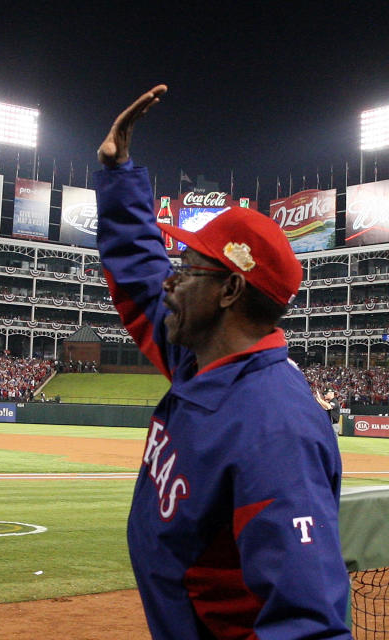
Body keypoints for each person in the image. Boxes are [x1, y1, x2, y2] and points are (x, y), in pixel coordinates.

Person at [95, 85, 349, 639]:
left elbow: (307, 620)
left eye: (187, 268)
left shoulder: (275, 428)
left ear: (230, 290)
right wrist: (119, 176)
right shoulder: (199, 360)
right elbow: (140, 275)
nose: (170, 280)